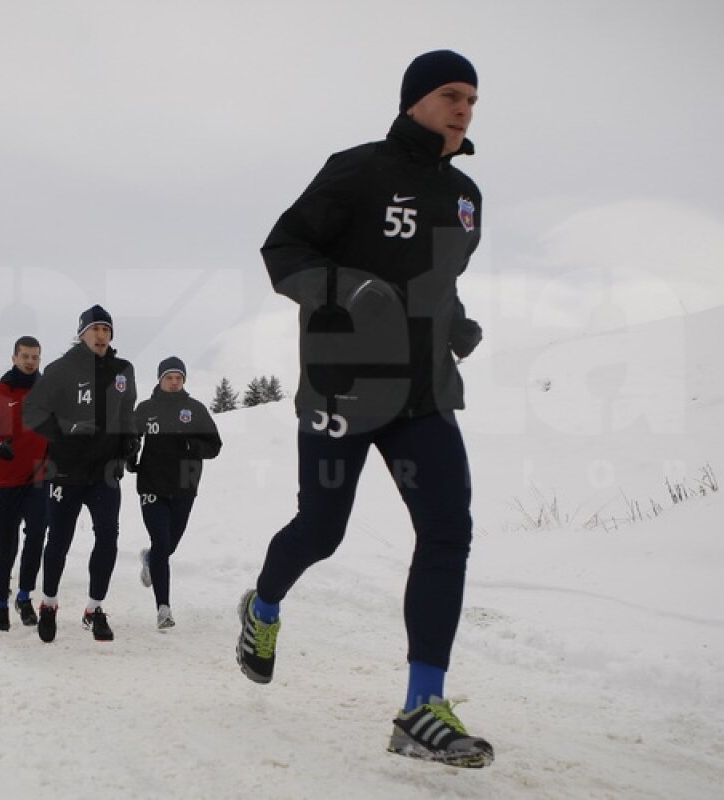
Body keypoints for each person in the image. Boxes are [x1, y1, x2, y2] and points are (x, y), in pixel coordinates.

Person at [235, 50, 493, 768]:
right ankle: (262, 607)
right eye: (451, 94)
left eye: (472, 98)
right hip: (343, 389)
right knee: (322, 532)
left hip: (423, 394)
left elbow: (434, 280)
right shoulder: (356, 169)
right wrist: (342, 290)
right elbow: (283, 248)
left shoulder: (467, 196)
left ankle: (421, 708)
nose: (464, 108)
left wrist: (456, 322)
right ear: (415, 99)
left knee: (448, 533)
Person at [23, 305, 138, 643]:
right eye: (95, 329)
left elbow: (128, 410)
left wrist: (131, 441)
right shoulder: (61, 369)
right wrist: (64, 430)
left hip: (104, 472)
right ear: (82, 333)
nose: (101, 335)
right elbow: (33, 411)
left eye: (106, 329)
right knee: (58, 540)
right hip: (66, 472)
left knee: (107, 538)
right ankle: (48, 604)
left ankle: (94, 609)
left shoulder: (123, 370)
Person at [130, 357, 222, 629]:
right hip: (152, 485)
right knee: (161, 540)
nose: (174, 382)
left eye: (178, 378)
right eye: (169, 377)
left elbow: (215, 446)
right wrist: (130, 455)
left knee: (168, 546)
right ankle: (163, 608)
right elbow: (130, 436)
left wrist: (193, 445)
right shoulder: (146, 408)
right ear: (159, 380)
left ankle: (150, 559)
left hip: (184, 486)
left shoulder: (195, 410)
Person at [0, 336, 50, 632]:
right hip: (4, 482)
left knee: (37, 535)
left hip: (38, 479)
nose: (30, 361)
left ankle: (25, 597)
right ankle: (0, 605)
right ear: (14, 357)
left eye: (35, 357)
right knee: (5, 545)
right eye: (25, 356)